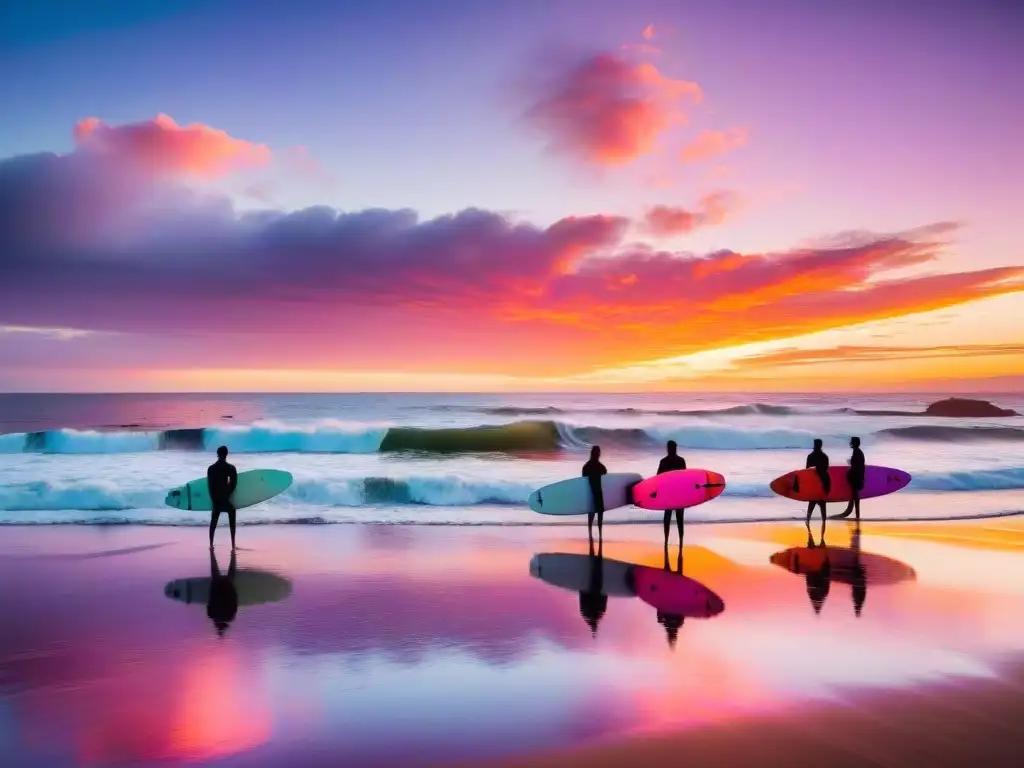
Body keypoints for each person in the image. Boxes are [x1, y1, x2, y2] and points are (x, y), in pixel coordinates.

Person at [657, 440, 687, 549]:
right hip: (670, 494)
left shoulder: (679, 461)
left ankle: (680, 540)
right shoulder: (665, 462)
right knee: (668, 518)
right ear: (668, 448)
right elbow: (658, 478)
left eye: (673, 448)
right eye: (670, 448)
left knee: (679, 519)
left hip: (677, 494)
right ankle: (666, 540)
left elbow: (685, 478)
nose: (671, 450)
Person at [207, 445, 238, 550]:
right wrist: (226, 495)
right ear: (226, 454)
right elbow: (233, 484)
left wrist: (214, 500)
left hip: (215, 499)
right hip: (224, 499)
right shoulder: (230, 468)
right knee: (232, 512)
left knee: (213, 521)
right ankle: (233, 544)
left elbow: (210, 487)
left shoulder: (211, 469)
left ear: (217, 454)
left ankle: (211, 544)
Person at [206, 547, 238, 637]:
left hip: (226, 587)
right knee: (215, 568)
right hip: (218, 587)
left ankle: (233, 553)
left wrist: (233, 589)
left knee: (231, 570)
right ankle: (212, 552)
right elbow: (209, 601)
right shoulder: (212, 615)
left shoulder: (230, 617)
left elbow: (234, 602)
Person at [581, 445, 608, 545]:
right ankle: (599, 533)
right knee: (599, 512)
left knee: (592, 512)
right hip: (597, 491)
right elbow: (606, 475)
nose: (599, 454)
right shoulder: (599, 466)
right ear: (597, 454)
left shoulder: (587, 466)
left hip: (591, 491)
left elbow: (583, 478)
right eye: (598, 453)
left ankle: (590, 533)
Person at [835, 436, 865, 520]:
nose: (850, 443)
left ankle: (857, 515)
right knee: (854, 496)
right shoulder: (857, 452)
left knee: (855, 496)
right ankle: (856, 514)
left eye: (852, 441)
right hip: (856, 476)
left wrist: (857, 477)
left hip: (856, 477)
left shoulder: (857, 452)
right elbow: (858, 465)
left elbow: (856, 466)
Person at [805, 438, 830, 527]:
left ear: (815, 445)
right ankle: (823, 523)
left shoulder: (810, 456)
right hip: (822, 484)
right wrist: (827, 488)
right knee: (822, 505)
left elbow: (807, 471)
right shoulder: (825, 456)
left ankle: (808, 521)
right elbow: (826, 470)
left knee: (811, 504)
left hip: (814, 485)